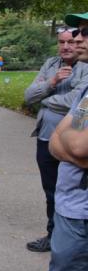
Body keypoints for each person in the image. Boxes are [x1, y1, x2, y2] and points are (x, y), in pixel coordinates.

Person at [23, 26, 88, 252]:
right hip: (45, 137)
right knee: (51, 190)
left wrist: (45, 99)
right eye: (62, 42)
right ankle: (53, 235)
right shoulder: (51, 65)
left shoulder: (85, 67)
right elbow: (28, 95)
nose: (67, 46)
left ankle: (70, 240)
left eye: (72, 42)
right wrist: (50, 84)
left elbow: (76, 100)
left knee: (73, 190)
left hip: (72, 143)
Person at [46, 11, 88, 271]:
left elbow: (78, 147)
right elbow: (56, 139)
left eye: (85, 32)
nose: (77, 38)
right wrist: (67, 140)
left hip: (80, 213)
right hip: (72, 205)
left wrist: (67, 140)